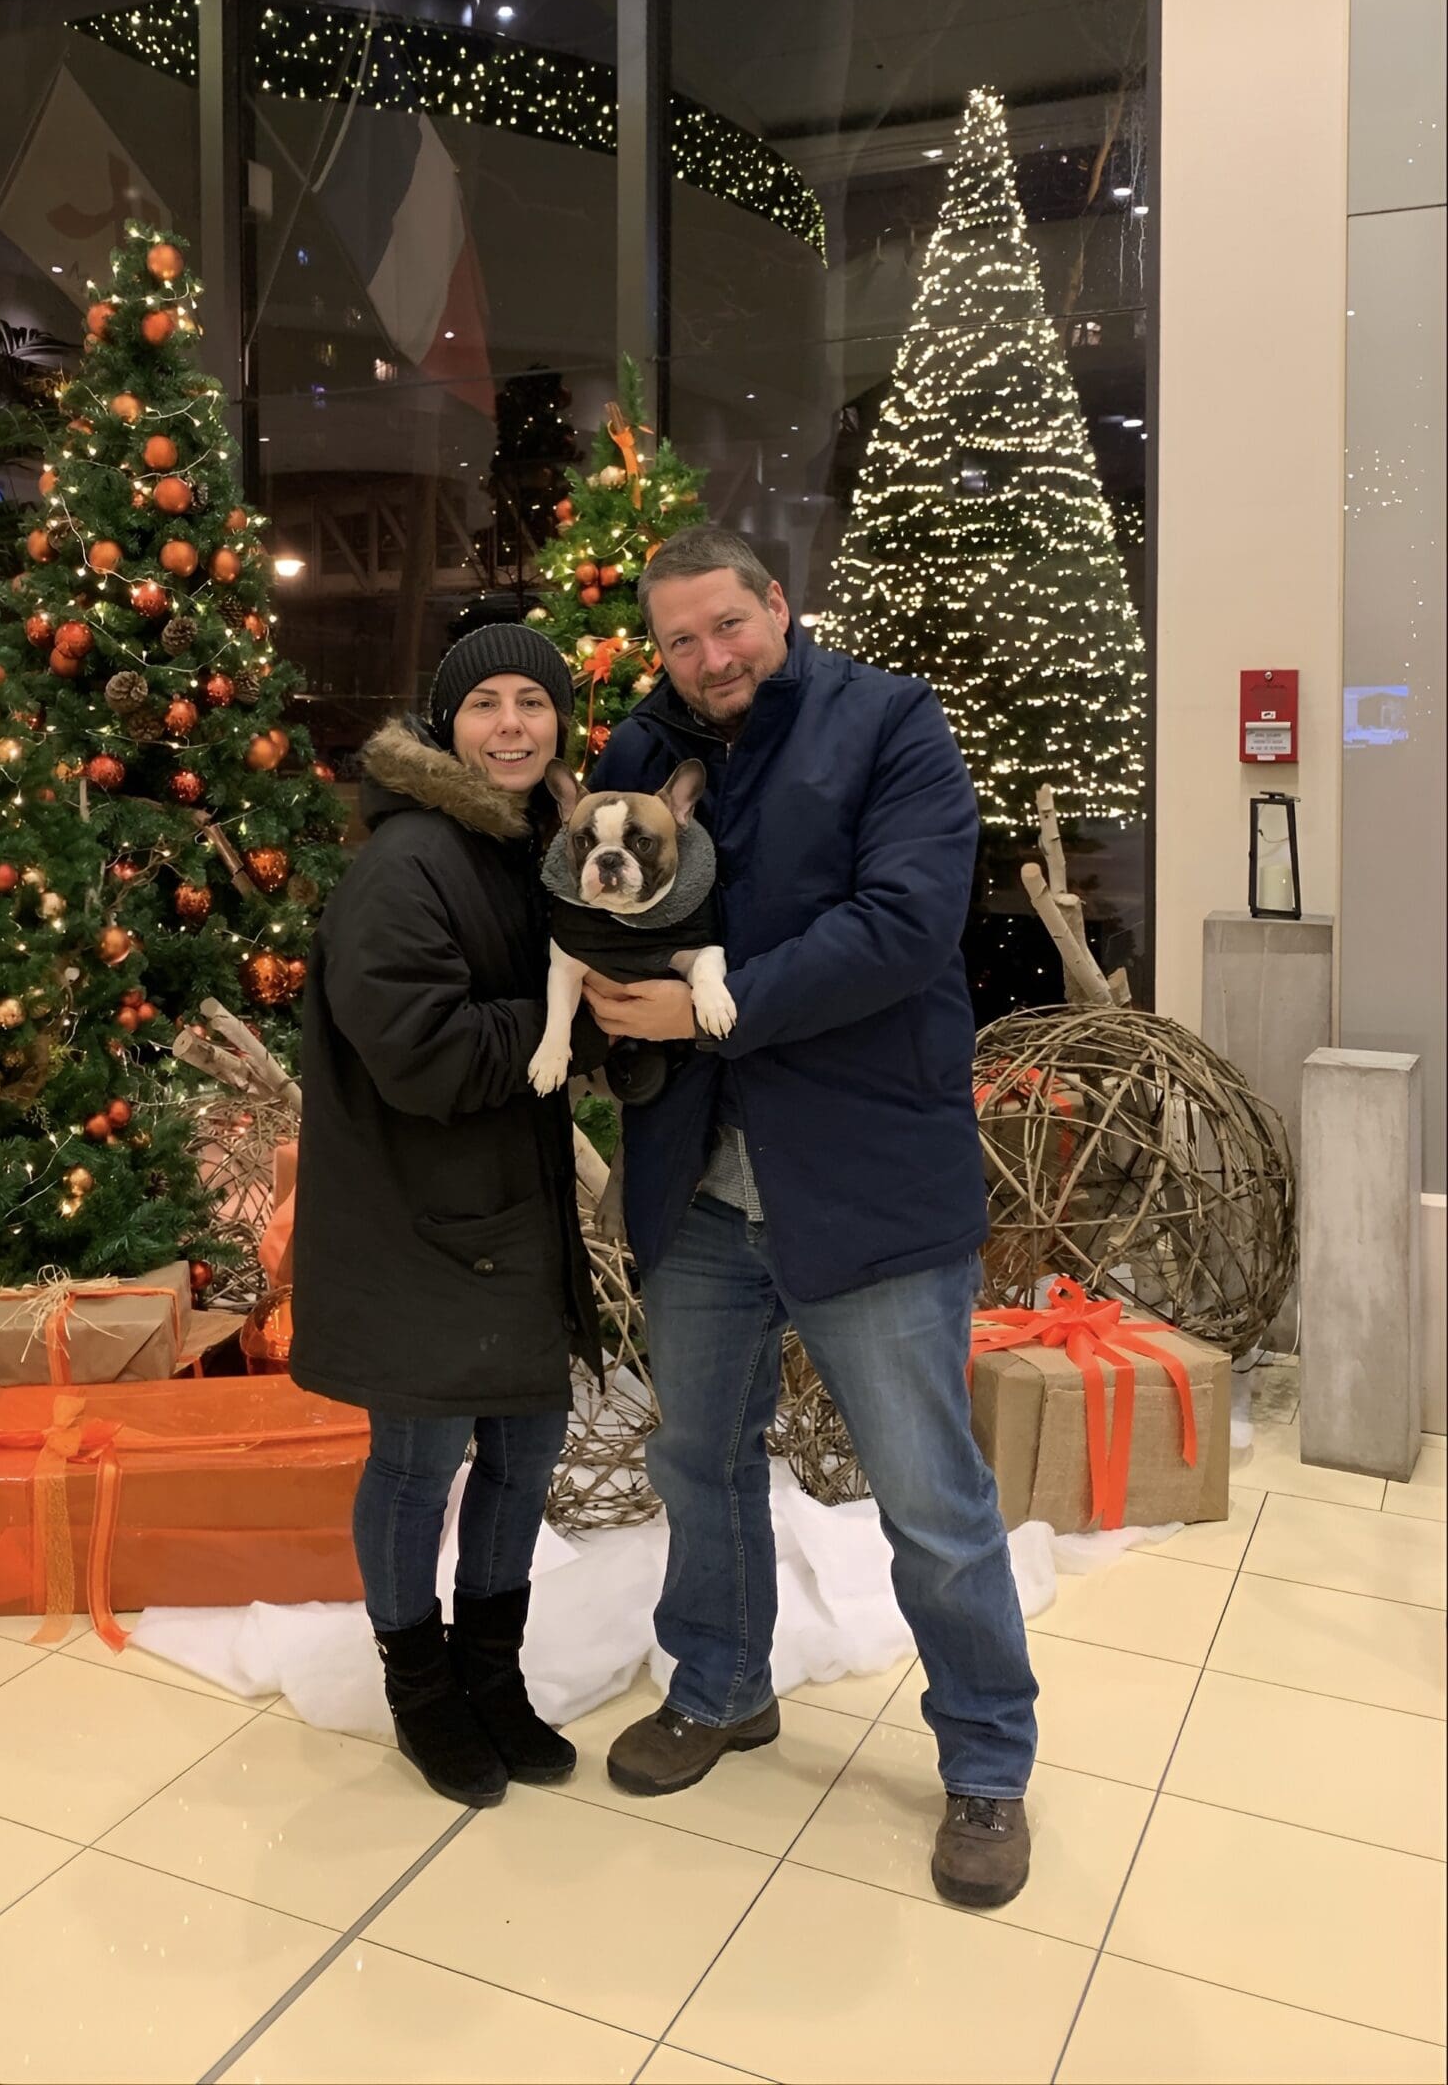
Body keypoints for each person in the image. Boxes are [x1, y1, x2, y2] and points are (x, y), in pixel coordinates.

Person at [581, 527, 1038, 1910]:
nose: (709, 659)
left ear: (778, 606)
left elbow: (902, 927)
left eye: (729, 625)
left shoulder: (889, 721)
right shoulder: (635, 753)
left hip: (865, 1179)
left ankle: (985, 1763)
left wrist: (706, 1009)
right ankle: (720, 1687)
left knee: (931, 1497)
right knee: (698, 1463)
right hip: (698, 1186)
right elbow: (598, 909)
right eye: (680, 641)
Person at [291, 624, 599, 1809]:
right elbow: (417, 1051)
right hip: (416, 1222)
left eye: (535, 702)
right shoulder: (409, 860)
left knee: (524, 1460)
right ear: (446, 725)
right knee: (418, 1463)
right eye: (487, 706)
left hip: (510, 1217)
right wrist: (574, 1024)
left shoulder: (530, 850)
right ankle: (420, 1690)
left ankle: (494, 1677)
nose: (514, 724)